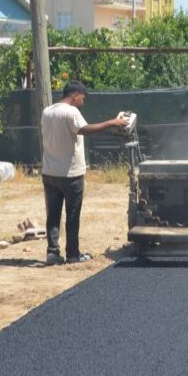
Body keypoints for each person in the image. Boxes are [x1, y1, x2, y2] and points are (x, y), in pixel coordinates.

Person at [40, 80, 128, 265]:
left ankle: (52, 252)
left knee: (53, 215)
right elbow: (86, 130)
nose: (83, 102)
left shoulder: (47, 111)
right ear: (75, 95)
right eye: (82, 98)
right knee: (72, 215)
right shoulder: (71, 112)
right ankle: (73, 254)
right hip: (71, 174)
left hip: (49, 172)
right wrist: (113, 122)